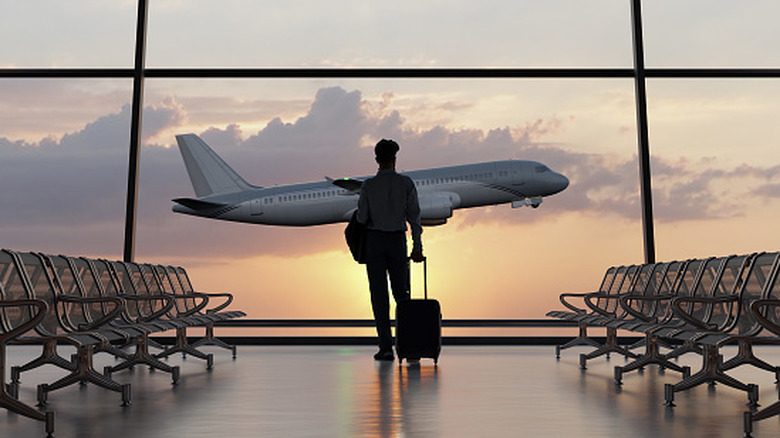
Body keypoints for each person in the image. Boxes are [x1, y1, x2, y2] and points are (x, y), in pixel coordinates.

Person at [357, 139, 425, 361]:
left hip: (374, 242)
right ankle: (410, 345)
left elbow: (362, 217)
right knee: (402, 295)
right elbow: (414, 218)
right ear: (395, 159)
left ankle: (385, 347)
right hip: (397, 241)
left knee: (379, 296)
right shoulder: (406, 184)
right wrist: (417, 247)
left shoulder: (368, 186)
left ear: (377, 159)